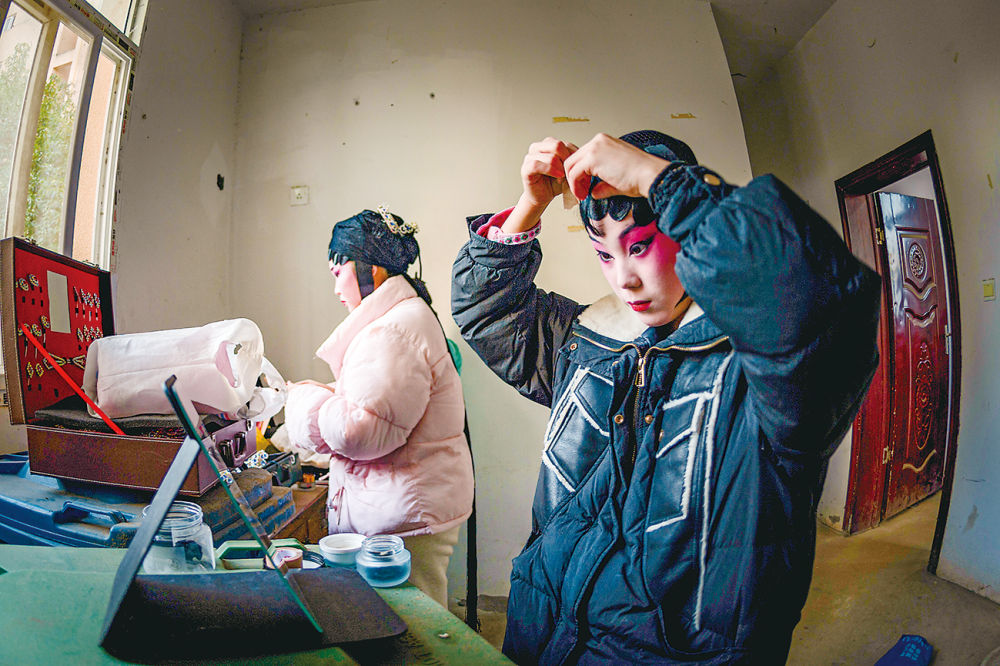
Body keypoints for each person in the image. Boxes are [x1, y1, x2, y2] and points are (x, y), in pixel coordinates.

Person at [451, 130, 880, 664]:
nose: (624, 280)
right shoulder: (587, 342)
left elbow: (818, 301)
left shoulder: (764, 376)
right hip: (540, 631)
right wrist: (530, 204)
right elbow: (487, 308)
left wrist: (661, 180)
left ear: (684, 229)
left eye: (639, 246)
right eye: (603, 253)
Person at [283, 207, 474, 607]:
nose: (335, 287)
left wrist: (299, 400)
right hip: (406, 508)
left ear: (370, 268)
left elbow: (359, 430)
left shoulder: (394, 330)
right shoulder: (402, 319)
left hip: (405, 517)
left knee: (413, 627)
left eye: (338, 272)